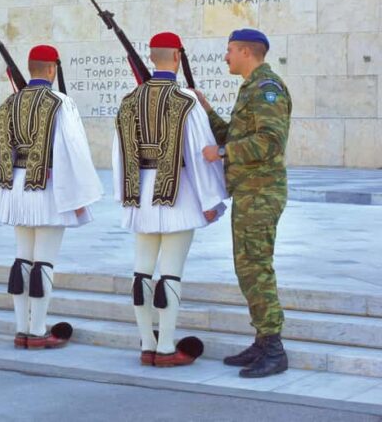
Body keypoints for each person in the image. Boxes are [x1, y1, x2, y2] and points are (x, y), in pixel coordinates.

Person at [112, 32, 227, 367]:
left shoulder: (129, 100)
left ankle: (147, 344)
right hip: (179, 195)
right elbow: (199, 153)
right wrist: (210, 199)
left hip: (141, 196)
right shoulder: (186, 101)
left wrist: (126, 195)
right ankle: (164, 348)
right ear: (177, 57)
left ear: (152, 57)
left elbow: (119, 155)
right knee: (171, 272)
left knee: (142, 271)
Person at [0, 45, 102, 349]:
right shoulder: (60, 103)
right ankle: (37, 330)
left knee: (23, 257)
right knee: (44, 260)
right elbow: (73, 149)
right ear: (51, 69)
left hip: (16, 189)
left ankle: (21, 329)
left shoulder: (8, 103)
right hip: (47, 190)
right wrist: (79, 194)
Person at [197, 28, 292, 378]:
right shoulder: (250, 88)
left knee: (256, 267)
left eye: (229, 50)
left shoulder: (267, 89)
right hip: (251, 193)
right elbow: (237, 135)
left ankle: (274, 349)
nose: (226, 57)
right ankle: (263, 341)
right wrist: (207, 111)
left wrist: (222, 152)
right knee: (248, 267)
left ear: (246, 52)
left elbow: (270, 141)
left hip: (262, 193)